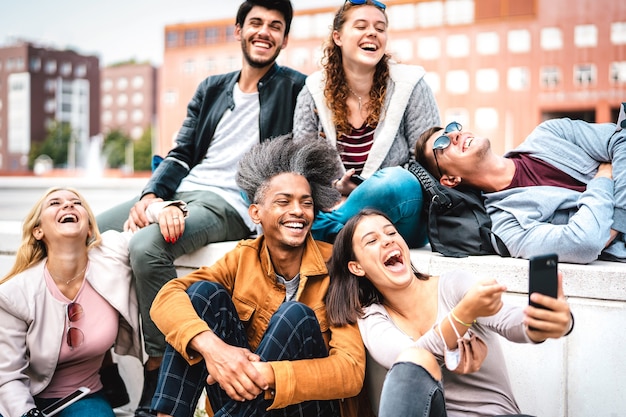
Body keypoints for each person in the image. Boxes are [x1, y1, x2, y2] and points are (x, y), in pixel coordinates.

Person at [95, 1, 306, 414]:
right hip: (187, 190)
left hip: (232, 202)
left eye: (275, 26)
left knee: (147, 248)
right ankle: (101, 362)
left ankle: (155, 363)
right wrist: (151, 198)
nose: (264, 32)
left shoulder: (296, 89)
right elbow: (181, 153)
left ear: (284, 38)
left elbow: (303, 152)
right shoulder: (212, 87)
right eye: (256, 23)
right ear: (239, 30)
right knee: (85, 233)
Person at [148, 136, 366, 417]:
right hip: (245, 404)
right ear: (256, 213)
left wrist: (268, 374)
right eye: (283, 201)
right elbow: (166, 297)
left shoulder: (335, 266)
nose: (297, 211)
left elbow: (350, 372)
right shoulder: (243, 258)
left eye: (306, 202)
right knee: (202, 295)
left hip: (305, 407)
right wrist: (213, 348)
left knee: (295, 315)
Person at [326, 209, 574, 417]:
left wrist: (553, 322)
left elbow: (513, 322)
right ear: (356, 267)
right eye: (372, 240)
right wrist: (462, 317)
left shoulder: (453, 286)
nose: (388, 240)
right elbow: (410, 362)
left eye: (391, 232)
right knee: (415, 361)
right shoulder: (371, 316)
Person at [292, 0, 441, 248]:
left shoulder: (410, 85)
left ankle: (323, 233)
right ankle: (341, 234)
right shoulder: (312, 91)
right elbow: (302, 165)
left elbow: (429, 163)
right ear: (338, 37)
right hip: (333, 203)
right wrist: (335, 191)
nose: (372, 32)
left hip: (400, 219)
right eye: (361, 26)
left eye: (380, 28)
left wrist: (362, 190)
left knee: (395, 182)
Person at [414, 102, 626, 263]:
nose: (455, 135)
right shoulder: (507, 226)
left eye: (452, 128)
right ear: (450, 179)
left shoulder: (550, 133)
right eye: (442, 143)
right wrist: (603, 177)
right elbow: (583, 243)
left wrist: (615, 222)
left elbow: (620, 139)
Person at [0, 187, 142, 417]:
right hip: (18, 400)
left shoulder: (111, 255)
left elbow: (144, 221)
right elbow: (8, 377)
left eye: (77, 203)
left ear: (88, 228)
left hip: (83, 396)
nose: (68, 205)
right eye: (54, 203)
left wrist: (165, 209)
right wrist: (27, 414)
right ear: (38, 231)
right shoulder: (14, 294)